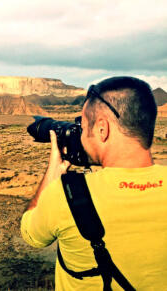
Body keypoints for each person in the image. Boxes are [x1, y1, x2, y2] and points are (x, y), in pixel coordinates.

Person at [20, 76, 167, 290]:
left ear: (102, 129)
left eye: (83, 125)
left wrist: (53, 173)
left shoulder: (65, 195)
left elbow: (30, 234)